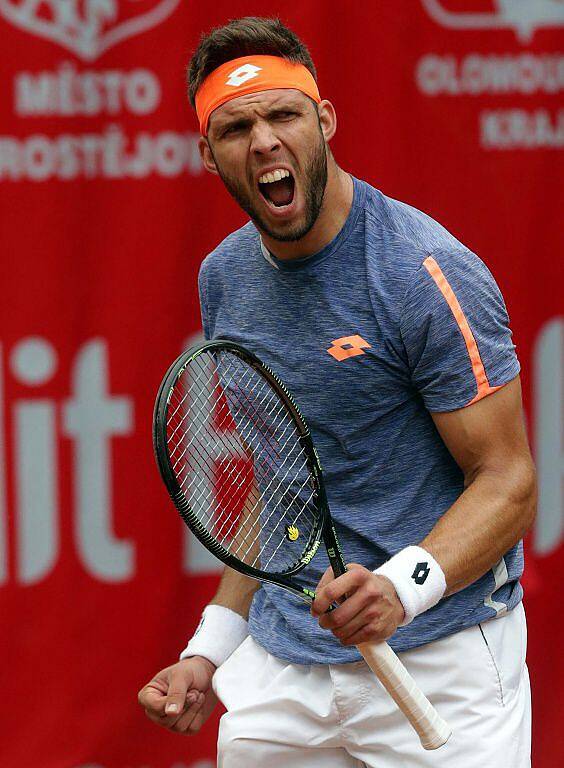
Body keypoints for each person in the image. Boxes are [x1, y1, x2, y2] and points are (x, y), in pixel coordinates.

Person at [138, 17, 536, 767]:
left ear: (323, 121)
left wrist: (402, 587)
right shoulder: (224, 278)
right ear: (209, 154)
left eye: (282, 114)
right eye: (236, 127)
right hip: (286, 671)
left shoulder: (422, 271)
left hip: (441, 661)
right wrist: (208, 651)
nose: (263, 142)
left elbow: (509, 483)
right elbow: (278, 484)